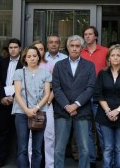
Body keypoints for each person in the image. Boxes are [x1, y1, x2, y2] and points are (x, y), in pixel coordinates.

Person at [52, 35, 96, 168]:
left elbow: (90, 88)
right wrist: (67, 105)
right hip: (62, 111)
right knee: (59, 149)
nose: (75, 49)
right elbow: (56, 88)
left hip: (82, 111)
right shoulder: (59, 65)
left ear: (82, 48)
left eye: (77, 46)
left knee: (84, 149)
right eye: (72, 46)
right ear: (67, 47)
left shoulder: (89, 66)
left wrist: (76, 104)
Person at [94, 45, 120, 168]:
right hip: (104, 115)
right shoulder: (102, 73)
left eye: (118, 55)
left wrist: (117, 111)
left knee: (119, 147)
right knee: (107, 147)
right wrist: (108, 112)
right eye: (113, 55)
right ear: (108, 58)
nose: (115, 58)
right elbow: (98, 94)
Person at [12, 45, 52, 168]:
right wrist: (26, 110)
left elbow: (47, 94)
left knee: (37, 149)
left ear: (39, 57)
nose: (32, 58)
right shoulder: (19, 72)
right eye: (29, 56)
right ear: (25, 58)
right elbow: (17, 94)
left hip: (39, 113)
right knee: (22, 148)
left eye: (34, 56)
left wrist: (35, 108)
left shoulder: (45, 73)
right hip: (21, 113)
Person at [0, 38, 22, 168]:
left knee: (20, 132)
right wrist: (2, 97)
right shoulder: (2, 62)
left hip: (19, 102)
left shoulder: (24, 63)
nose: (13, 50)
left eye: (15, 47)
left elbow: (24, 83)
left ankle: (21, 160)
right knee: (2, 131)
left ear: (20, 49)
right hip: (3, 102)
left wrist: (15, 97)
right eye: (10, 47)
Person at [81, 26, 108, 165]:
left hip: (100, 95)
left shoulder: (105, 51)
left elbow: (110, 72)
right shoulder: (80, 52)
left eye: (90, 34)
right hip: (84, 95)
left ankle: (106, 159)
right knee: (86, 129)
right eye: (85, 34)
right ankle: (91, 159)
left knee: (101, 128)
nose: (87, 36)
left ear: (96, 36)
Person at [41, 35, 66, 168]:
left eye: (56, 42)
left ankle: (54, 161)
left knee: (56, 132)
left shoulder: (65, 59)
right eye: (51, 42)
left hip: (60, 99)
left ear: (60, 44)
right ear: (47, 44)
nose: (54, 44)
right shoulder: (42, 58)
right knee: (41, 131)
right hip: (44, 100)